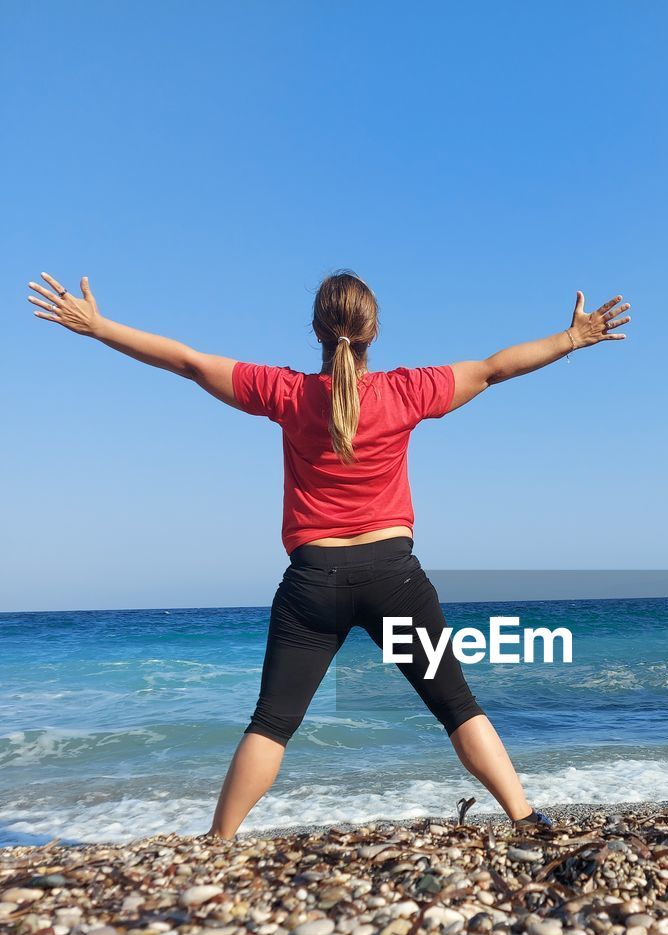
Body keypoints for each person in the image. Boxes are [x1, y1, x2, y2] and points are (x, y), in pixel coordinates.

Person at [26, 269, 630, 839]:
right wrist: (574, 338)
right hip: (393, 578)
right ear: (373, 332)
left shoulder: (287, 393)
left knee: (273, 722)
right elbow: (496, 368)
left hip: (313, 581)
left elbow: (188, 362)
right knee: (457, 706)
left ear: (317, 331)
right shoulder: (407, 391)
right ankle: (523, 816)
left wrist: (99, 327)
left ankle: (218, 840)